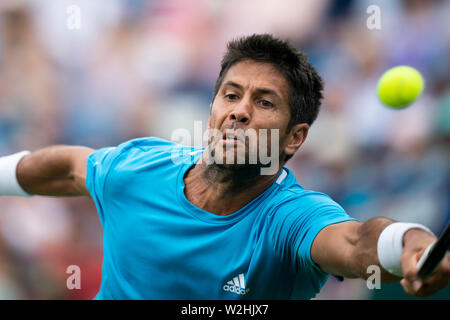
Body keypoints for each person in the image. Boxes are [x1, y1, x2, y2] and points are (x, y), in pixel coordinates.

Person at [0, 34, 448, 299]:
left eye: (264, 102)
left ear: (296, 137)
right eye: (231, 95)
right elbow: (69, 168)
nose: (239, 111)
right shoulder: (138, 169)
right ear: (212, 108)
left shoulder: (291, 219)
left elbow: (355, 242)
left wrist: (407, 243)